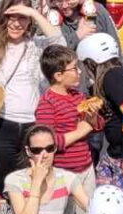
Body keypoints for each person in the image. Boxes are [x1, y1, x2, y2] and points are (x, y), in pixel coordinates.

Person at [0, 0, 59, 185]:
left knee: (32, 184)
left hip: (33, 127)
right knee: (2, 185)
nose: (16, 24)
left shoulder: (36, 46)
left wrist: (33, 12)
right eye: (11, 17)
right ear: (3, 18)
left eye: (22, 18)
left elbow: (59, 43)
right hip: (2, 127)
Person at [81, 34, 123, 200]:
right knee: (100, 202)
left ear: (92, 62)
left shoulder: (112, 77)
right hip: (114, 152)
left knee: (114, 204)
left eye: (84, 64)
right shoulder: (111, 78)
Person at [32, 44, 95, 177]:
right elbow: (47, 142)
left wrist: (94, 117)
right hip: (63, 172)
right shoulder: (47, 103)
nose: (79, 71)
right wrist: (81, 131)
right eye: (74, 68)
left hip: (86, 167)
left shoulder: (78, 96)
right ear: (59, 76)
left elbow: (96, 125)